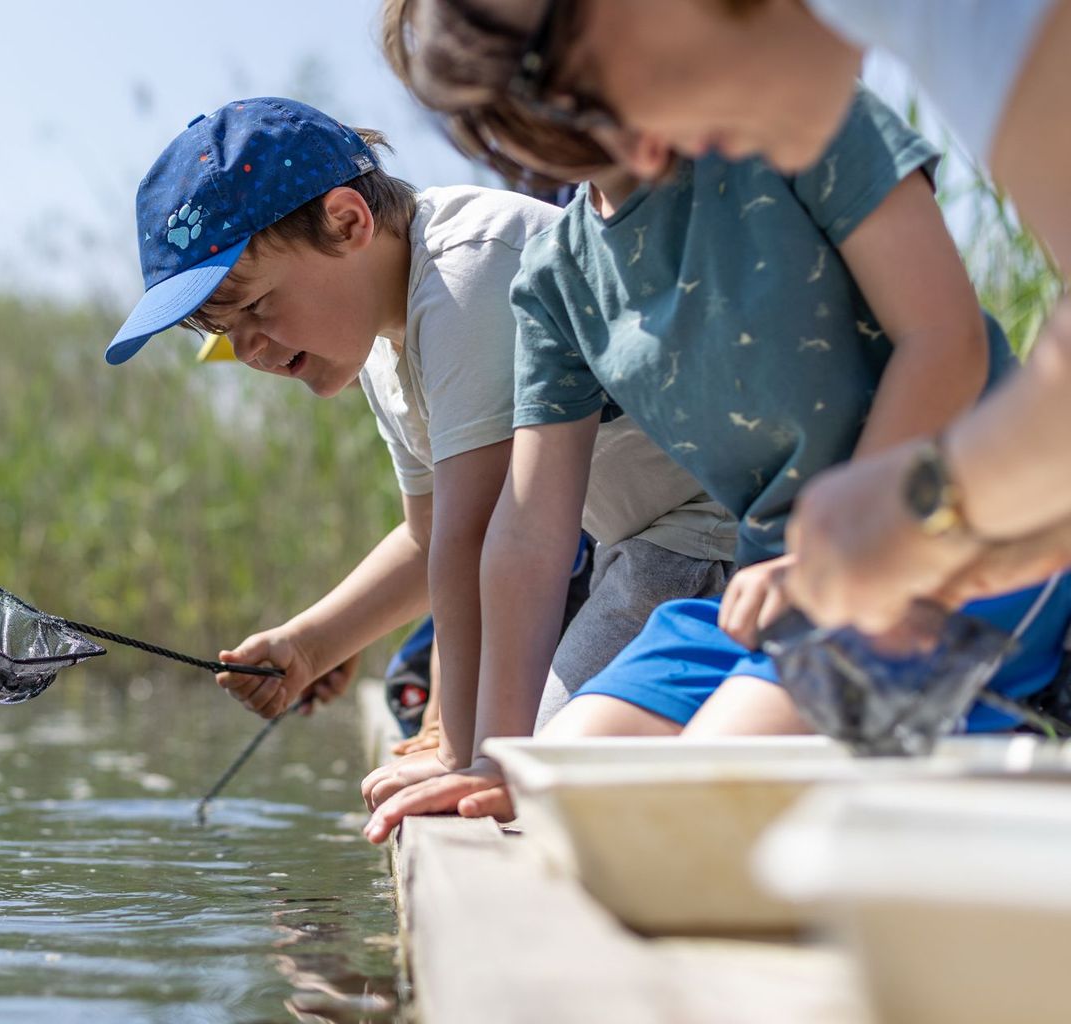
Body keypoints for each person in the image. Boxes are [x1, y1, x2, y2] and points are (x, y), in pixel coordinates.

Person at [363, 0, 1071, 841]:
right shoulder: (559, 275)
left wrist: (887, 523)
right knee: (571, 791)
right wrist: (491, 752)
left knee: (694, 815)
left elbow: (945, 338)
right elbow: (528, 532)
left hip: (970, 548)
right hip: (762, 591)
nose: (653, 151)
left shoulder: (820, 91)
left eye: (595, 93)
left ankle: (1002, 716)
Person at [102, 96, 738, 801]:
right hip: (640, 555)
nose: (248, 349)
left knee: (539, 781)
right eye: (222, 331)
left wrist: (466, 751)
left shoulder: (468, 269)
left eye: (255, 307)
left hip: (713, 540)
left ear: (348, 223)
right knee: (531, 766)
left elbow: (474, 535)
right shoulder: (383, 338)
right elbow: (430, 532)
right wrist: (314, 643)